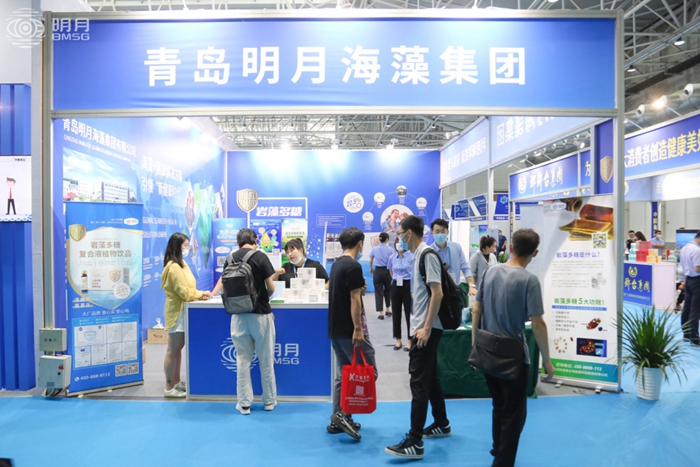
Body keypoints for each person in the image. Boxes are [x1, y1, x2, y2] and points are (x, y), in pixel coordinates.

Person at [472, 228, 555, 467]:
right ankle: (503, 461)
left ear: (510, 248)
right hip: (513, 356)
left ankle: (498, 447)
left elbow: (476, 309)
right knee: (514, 415)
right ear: (535, 253)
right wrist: (547, 360)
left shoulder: (489, 271)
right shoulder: (529, 280)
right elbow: (537, 323)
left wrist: (475, 345)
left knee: (499, 405)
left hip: (487, 349)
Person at [385, 215, 449, 460]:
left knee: (419, 382)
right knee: (430, 378)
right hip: (422, 327)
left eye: (400, 233)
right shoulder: (417, 256)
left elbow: (437, 293)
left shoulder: (427, 255)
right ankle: (442, 422)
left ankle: (414, 440)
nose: (398, 237)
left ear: (409, 233)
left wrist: (426, 327)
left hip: (426, 329)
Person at [211, 228, 283, 414]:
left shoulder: (229, 258)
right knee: (266, 359)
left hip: (238, 315)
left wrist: (212, 294)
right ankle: (269, 401)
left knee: (242, 360)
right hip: (261, 315)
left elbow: (223, 283)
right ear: (255, 240)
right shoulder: (260, 257)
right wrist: (265, 296)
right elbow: (271, 287)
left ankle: (244, 403)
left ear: (238, 242)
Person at [327, 227, 378, 440]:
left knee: (343, 375)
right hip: (350, 330)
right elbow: (354, 298)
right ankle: (343, 415)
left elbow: (349, 292)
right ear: (360, 243)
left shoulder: (336, 264)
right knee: (369, 371)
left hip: (335, 329)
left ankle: (339, 417)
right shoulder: (354, 266)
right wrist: (357, 329)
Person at [161, 232, 210, 398]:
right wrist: (200, 293)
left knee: (178, 349)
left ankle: (176, 381)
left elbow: (189, 289)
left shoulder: (182, 264)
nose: (188, 248)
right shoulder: (173, 267)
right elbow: (183, 292)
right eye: (185, 245)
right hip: (176, 312)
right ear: (177, 246)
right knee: (172, 349)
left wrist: (197, 294)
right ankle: (169, 387)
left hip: (183, 310)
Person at [429, 218, 475, 295]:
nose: (440, 234)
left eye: (443, 231)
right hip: (438, 292)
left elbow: (466, 268)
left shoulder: (456, 247)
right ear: (432, 233)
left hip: (455, 290)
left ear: (447, 232)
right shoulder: (430, 252)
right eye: (437, 232)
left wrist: (471, 285)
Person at [388, 236, 413, 351]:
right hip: (396, 285)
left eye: (402, 242)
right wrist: (395, 278)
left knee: (409, 314)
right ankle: (398, 339)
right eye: (398, 242)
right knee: (396, 313)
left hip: (408, 285)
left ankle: (410, 340)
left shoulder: (411, 257)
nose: (400, 244)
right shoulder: (392, 257)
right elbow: (390, 270)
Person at [680, 231, 700, 345]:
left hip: (688, 279)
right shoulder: (697, 250)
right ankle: (694, 338)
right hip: (697, 280)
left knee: (687, 308)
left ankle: (686, 334)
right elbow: (697, 269)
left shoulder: (685, 248)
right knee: (695, 309)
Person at [370, 232, 393, 319]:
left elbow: (371, 260)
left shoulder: (374, 249)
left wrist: (371, 269)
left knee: (378, 291)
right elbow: (392, 261)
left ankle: (381, 313)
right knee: (388, 290)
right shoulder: (390, 249)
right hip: (387, 271)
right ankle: (388, 310)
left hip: (378, 271)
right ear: (387, 239)